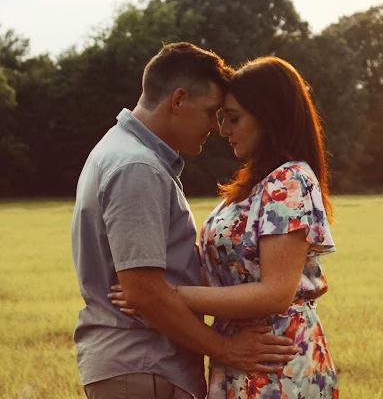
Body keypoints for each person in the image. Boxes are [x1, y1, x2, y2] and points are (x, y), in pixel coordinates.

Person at [72, 43, 297, 399]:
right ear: (178, 100)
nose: (215, 127)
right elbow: (145, 293)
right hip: (145, 366)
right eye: (211, 112)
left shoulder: (123, 152)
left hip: (143, 368)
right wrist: (225, 348)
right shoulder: (137, 167)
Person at [111, 56, 339, 398]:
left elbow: (275, 293)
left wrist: (169, 296)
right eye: (221, 117)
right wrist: (151, 292)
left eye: (234, 118)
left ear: (268, 117)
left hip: (276, 360)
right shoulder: (255, 185)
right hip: (239, 354)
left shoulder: (290, 181)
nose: (223, 130)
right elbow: (222, 274)